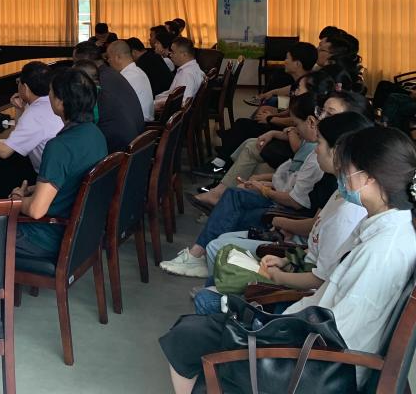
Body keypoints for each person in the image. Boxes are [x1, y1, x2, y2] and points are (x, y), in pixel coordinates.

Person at [161, 125, 416, 393]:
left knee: (185, 338)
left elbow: (343, 335)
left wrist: (270, 333)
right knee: (197, 329)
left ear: (368, 178)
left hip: (318, 367)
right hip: (313, 343)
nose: (341, 173)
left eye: (347, 168)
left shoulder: (381, 251)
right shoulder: (390, 229)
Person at [192, 110, 373, 314]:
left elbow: (319, 278)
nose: (315, 149)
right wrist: (285, 260)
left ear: (338, 151)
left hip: (296, 287)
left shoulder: (347, 213)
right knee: (228, 230)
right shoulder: (340, 192)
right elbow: (317, 245)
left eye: (320, 143)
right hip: (296, 262)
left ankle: (214, 290)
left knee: (211, 278)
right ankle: (213, 284)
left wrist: (278, 274)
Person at [163, 93, 328, 278]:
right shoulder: (314, 150)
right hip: (284, 197)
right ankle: (201, 254)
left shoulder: (316, 156)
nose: (295, 129)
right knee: (235, 194)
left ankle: (200, 254)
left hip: (286, 209)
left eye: (296, 125)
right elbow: (293, 180)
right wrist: (263, 183)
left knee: (234, 202)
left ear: (311, 121)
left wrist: (264, 189)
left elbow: (295, 201)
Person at [12, 68, 108, 261]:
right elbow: (72, 181)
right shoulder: (95, 134)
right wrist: (34, 189)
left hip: (46, 237)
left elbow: (36, 210)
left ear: (60, 102)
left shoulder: (59, 147)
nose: (48, 95)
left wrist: (16, 199)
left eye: (51, 92)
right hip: (84, 233)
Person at [0, 61, 63, 172]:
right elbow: (19, 138)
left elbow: (5, 151)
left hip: (52, 179)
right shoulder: (53, 103)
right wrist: (19, 109)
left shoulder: (34, 114)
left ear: (25, 88)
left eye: (18, 82)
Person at [73, 41, 144, 151]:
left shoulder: (98, 83)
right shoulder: (111, 73)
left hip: (118, 151)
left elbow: (84, 121)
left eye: (75, 62)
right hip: (136, 142)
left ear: (85, 63)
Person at [154, 37, 205, 114]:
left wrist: (158, 103)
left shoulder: (187, 74)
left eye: (173, 52)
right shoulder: (194, 67)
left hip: (170, 114)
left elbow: (184, 102)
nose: (170, 55)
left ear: (184, 54)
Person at [108, 39, 154, 121]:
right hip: (140, 120)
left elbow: (113, 104)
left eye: (109, 58)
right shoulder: (137, 71)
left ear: (118, 57)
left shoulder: (127, 77)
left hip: (139, 123)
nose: (108, 61)